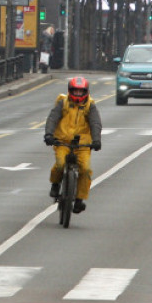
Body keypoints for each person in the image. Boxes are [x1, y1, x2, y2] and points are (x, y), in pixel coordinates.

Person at [44, 76, 102, 213]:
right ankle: (56, 184)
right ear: (70, 91)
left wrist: (96, 140)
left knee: (85, 169)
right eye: (75, 91)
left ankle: (79, 199)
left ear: (85, 92)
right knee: (60, 164)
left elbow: (95, 123)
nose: (77, 94)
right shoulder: (62, 103)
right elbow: (52, 118)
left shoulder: (90, 105)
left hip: (83, 145)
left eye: (80, 92)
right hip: (63, 142)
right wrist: (49, 135)